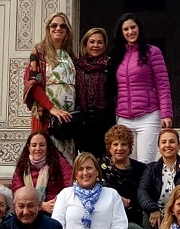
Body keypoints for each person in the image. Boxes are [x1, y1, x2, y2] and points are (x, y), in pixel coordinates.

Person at [111, 14, 172, 163]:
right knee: (125, 164)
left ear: (139, 29)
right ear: (121, 32)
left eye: (133, 27)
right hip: (123, 117)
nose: (130, 32)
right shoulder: (118, 55)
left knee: (145, 163)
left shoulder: (152, 52)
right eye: (126, 29)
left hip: (148, 116)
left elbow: (163, 84)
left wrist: (167, 113)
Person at [26, 14, 77, 154]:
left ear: (67, 30)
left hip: (67, 119)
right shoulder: (39, 53)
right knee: (45, 157)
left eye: (63, 26)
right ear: (48, 29)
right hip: (47, 117)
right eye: (54, 25)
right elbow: (33, 85)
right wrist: (52, 108)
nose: (58, 28)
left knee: (66, 161)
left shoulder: (70, 55)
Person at [97, 125, 150, 229]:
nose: (119, 148)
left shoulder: (140, 168)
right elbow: (97, 188)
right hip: (104, 218)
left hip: (129, 220)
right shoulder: (100, 165)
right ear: (109, 147)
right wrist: (117, 198)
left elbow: (142, 192)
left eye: (124, 144)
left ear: (130, 147)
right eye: (115, 144)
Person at [138, 127, 180, 229]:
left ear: (179, 146)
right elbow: (142, 191)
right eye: (163, 142)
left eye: (172, 142)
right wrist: (153, 209)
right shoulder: (151, 168)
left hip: (178, 212)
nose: (168, 145)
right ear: (159, 147)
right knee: (146, 213)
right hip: (158, 211)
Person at [72, 27, 117, 159]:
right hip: (83, 127)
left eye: (100, 42)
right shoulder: (77, 66)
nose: (95, 45)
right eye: (92, 42)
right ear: (85, 44)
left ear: (104, 45)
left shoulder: (111, 66)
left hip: (106, 125)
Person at [10, 130, 73, 209]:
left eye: (42, 145)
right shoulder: (22, 165)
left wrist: (57, 202)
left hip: (55, 208)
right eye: (34, 145)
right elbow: (17, 191)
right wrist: (41, 205)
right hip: (28, 209)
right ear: (28, 147)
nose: (37, 148)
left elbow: (69, 186)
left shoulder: (60, 162)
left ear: (48, 147)